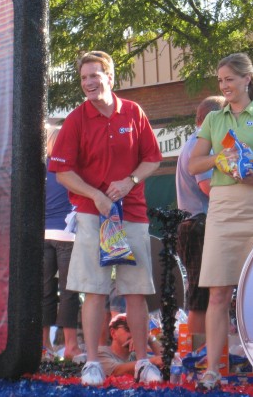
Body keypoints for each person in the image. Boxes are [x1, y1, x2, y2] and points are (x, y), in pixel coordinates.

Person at [48, 51, 163, 386]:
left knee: (136, 290)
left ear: (110, 78)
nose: (88, 83)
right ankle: (93, 363)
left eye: (94, 76)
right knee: (93, 290)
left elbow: (152, 159)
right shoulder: (75, 119)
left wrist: (130, 181)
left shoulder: (134, 112)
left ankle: (143, 361)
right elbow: (62, 172)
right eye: (84, 78)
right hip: (91, 215)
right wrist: (95, 195)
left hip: (133, 213)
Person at [188, 52, 253, 390]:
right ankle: (212, 371)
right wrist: (219, 158)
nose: (224, 86)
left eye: (229, 79)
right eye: (220, 81)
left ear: (247, 79)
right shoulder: (213, 121)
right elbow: (193, 164)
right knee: (218, 293)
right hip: (221, 210)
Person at [176, 95, 225, 335]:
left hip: (192, 223)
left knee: (204, 293)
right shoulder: (201, 145)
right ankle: (195, 356)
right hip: (199, 225)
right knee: (200, 296)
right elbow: (208, 188)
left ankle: (202, 354)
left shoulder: (193, 143)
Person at [42, 127, 81, 362]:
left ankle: (43, 345)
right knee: (69, 292)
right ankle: (70, 346)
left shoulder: (40, 168)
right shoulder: (72, 167)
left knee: (45, 292)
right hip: (68, 235)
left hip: (42, 234)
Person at [98, 314, 163, 377]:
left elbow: (166, 360)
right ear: (113, 333)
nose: (134, 334)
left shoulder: (136, 356)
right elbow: (116, 371)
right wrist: (151, 361)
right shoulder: (101, 352)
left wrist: (150, 339)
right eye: (128, 328)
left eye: (137, 330)